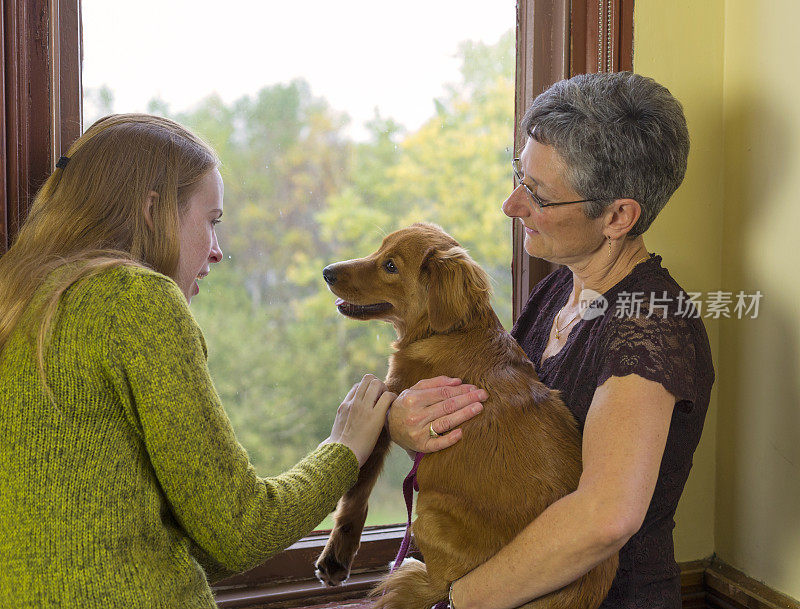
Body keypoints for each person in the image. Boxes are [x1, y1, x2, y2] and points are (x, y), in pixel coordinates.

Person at [0, 114, 486, 609]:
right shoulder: (135, 299)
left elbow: (162, 534)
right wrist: (346, 448)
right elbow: (239, 529)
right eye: (211, 223)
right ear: (152, 210)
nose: (216, 252)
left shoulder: (22, 299)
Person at [389, 72, 715, 609]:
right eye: (519, 173)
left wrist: (455, 603)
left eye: (537, 194)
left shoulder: (651, 324)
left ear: (618, 216)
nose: (511, 204)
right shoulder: (555, 291)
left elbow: (605, 519)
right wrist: (408, 422)